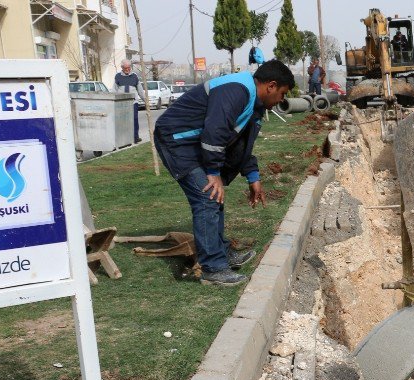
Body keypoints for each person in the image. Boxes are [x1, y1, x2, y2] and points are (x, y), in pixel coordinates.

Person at [154, 60, 294, 286]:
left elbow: (241, 145)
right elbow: (215, 131)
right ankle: (212, 268)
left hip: (194, 143)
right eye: (282, 94)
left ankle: (221, 253)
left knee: (213, 197)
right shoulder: (236, 90)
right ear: (271, 85)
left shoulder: (252, 102)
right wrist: (212, 172)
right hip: (176, 140)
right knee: (207, 195)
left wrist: (253, 177)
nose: (281, 101)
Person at [114, 59, 146, 143]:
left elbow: (140, 90)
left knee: (134, 119)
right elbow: (114, 90)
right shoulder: (118, 76)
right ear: (122, 67)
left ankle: (135, 137)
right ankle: (124, 138)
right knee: (122, 121)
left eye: (129, 67)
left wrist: (145, 100)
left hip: (133, 102)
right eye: (125, 68)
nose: (127, 69)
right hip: (121, 103)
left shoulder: (134, 76)